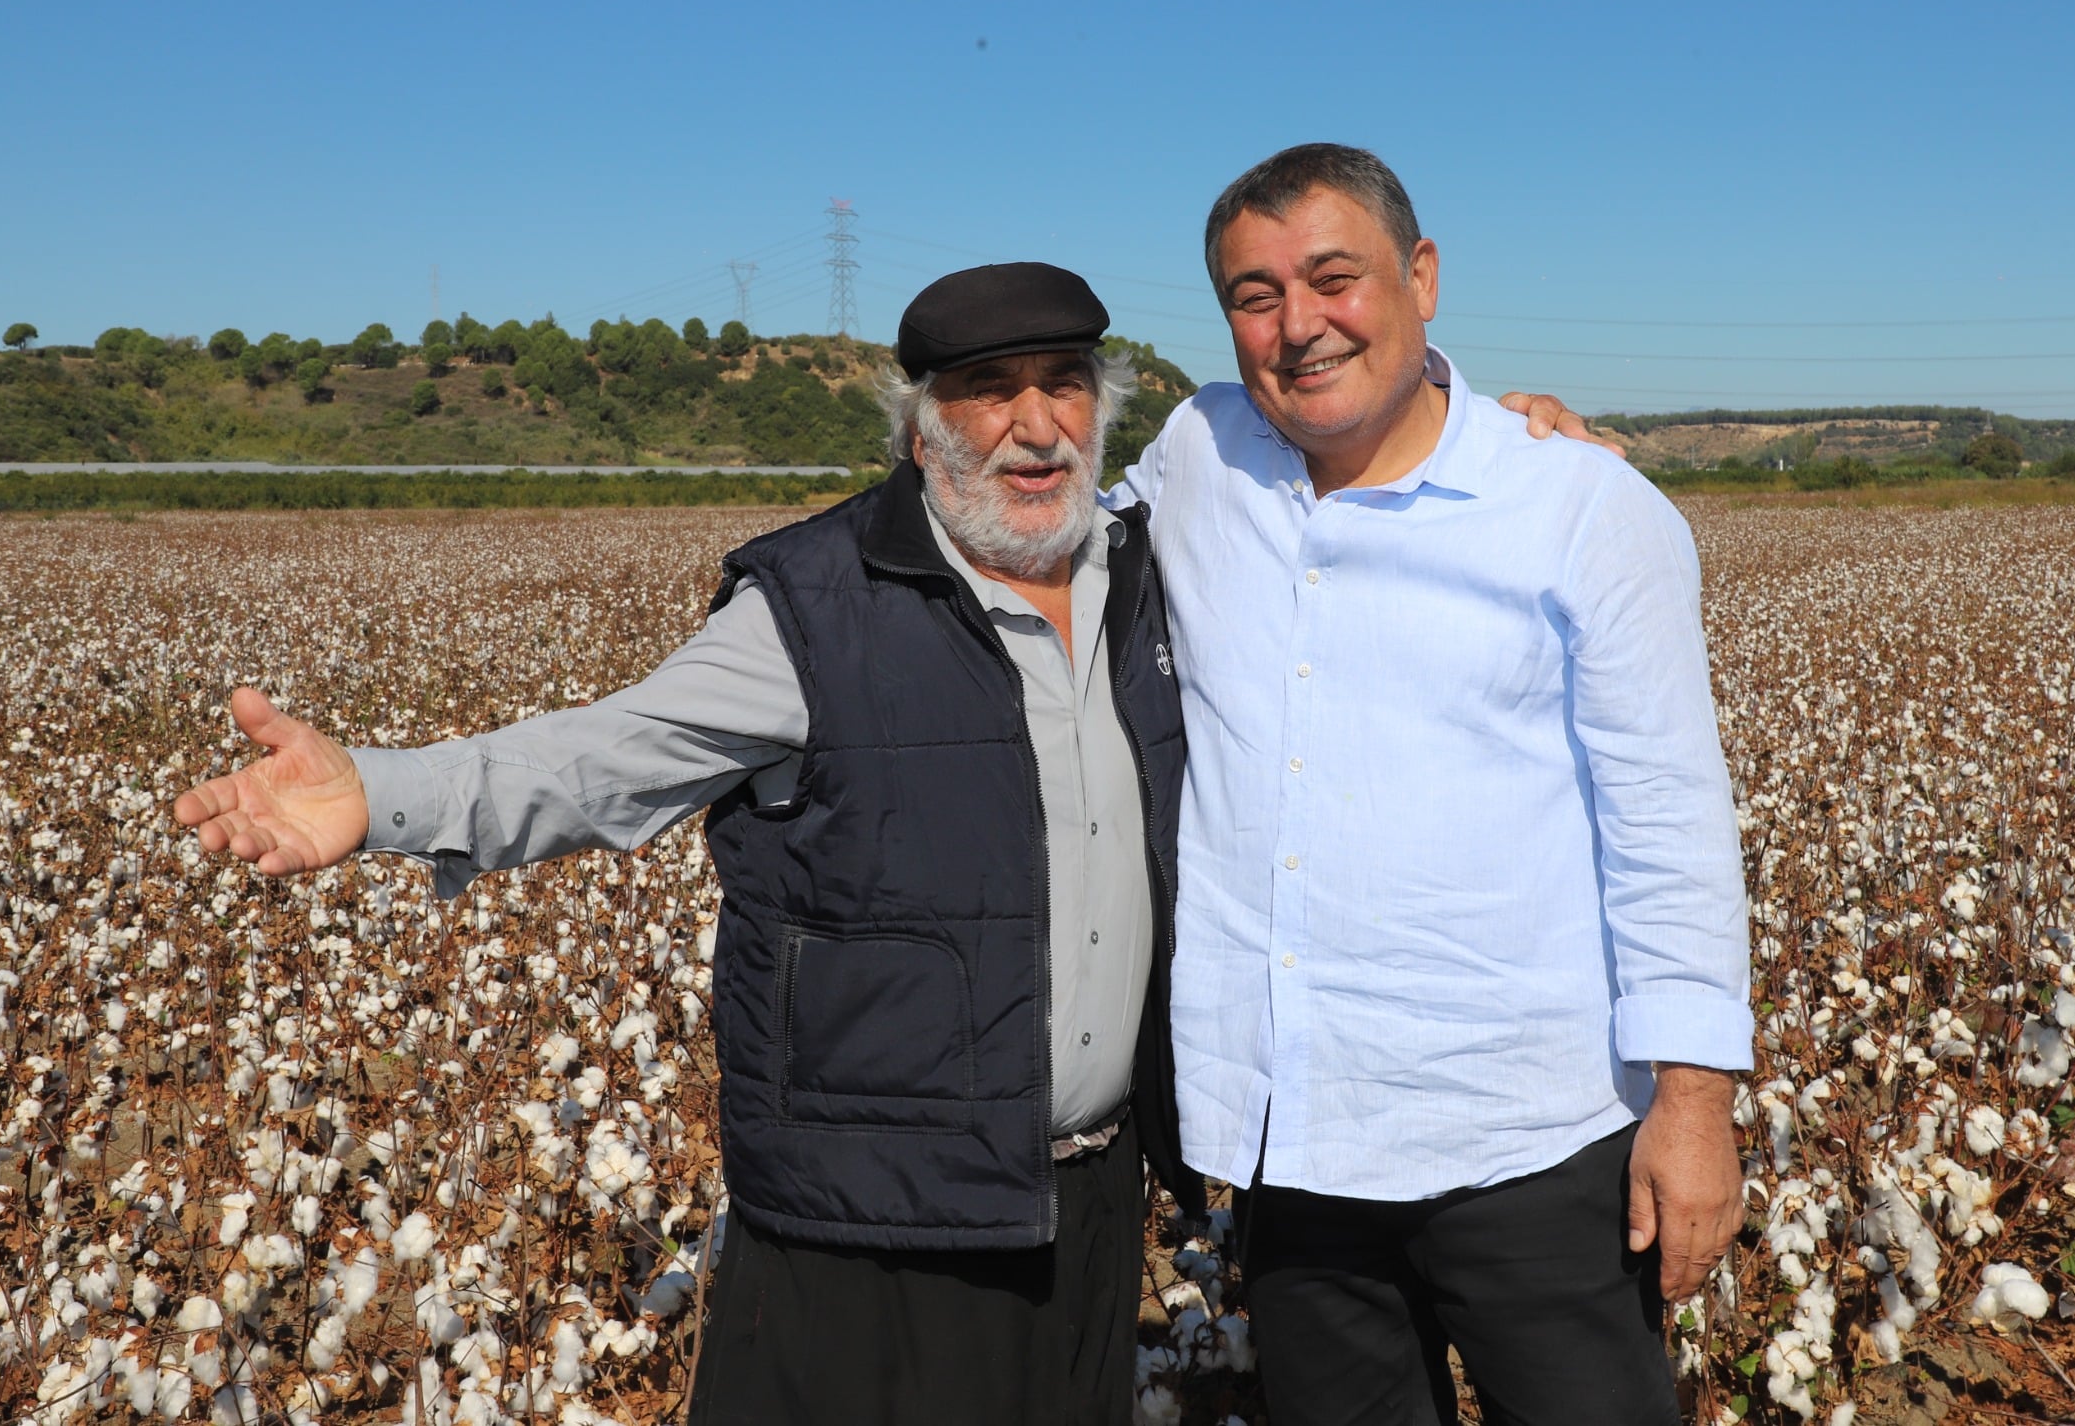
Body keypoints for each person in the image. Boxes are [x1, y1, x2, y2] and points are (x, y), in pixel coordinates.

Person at [174, 263, 1200, 1426]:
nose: (1034, 424)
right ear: (922, 428)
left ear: (1103, 408)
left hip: (1097, 1203)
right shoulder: (812, 606)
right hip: (881, 1217)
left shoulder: (1148, 588)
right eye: (985, 389)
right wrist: (381, 794)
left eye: (1063, 384)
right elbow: (603, 754)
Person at [1110, 143, 1752, 1426]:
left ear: (1422, 277)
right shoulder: (1195, 452)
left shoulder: (1576, 503)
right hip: (1291, 1135)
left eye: (1333, 277)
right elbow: (1028, 530)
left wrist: (1694, 1102)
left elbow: (1668, 815)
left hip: (1528, 1138)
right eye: (1254, 294)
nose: (1298, 326)